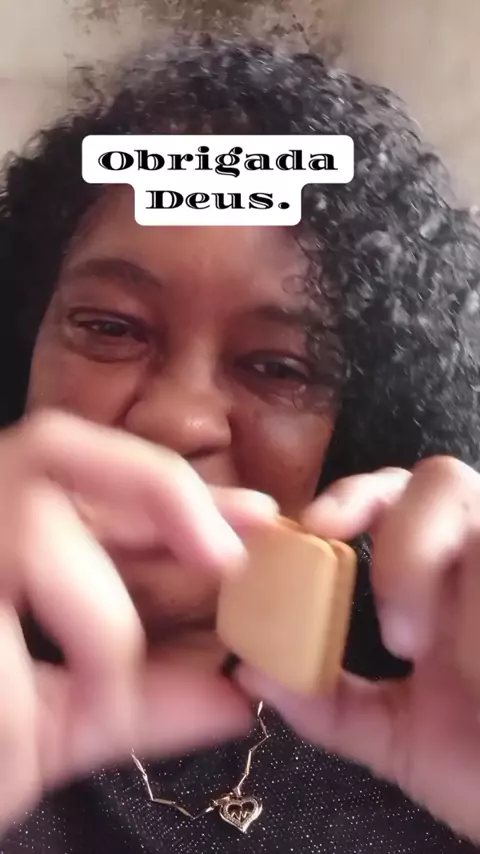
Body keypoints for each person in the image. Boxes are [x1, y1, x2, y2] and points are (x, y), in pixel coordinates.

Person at [0, 32, 480, 854]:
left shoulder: (437, 694)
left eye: (277, 367)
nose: (174, 421)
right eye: (110, 326)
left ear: (358, 422)